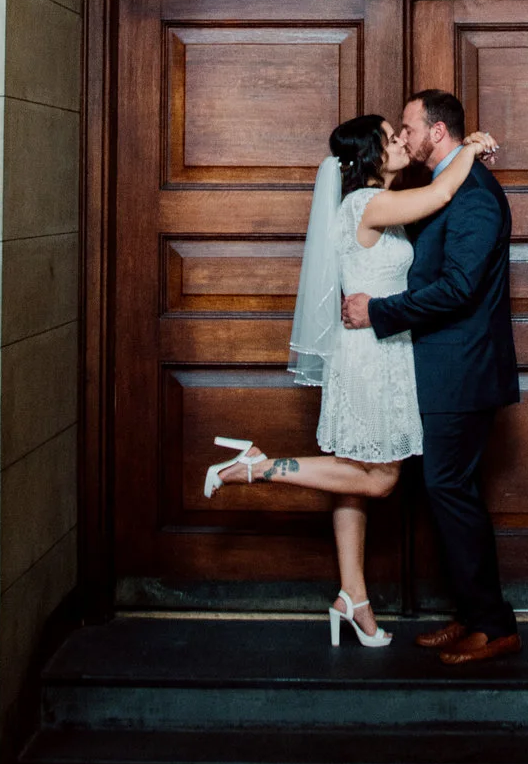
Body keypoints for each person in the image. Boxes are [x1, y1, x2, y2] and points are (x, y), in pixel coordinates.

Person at [204, 113, 497, 647]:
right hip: (372, 356)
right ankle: (259, 466)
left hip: (372, 349)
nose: (400, 140)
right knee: (380, 478)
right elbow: (440, 194)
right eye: (390, 137)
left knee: (352, 474)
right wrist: (472, 149)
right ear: (369, 155)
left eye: (400, 131)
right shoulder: (368, 203)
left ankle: (353, 596)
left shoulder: (371, 204)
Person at [341, 89, 521, 667]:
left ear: (437, 131)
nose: (405, 137)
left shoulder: (473, 196)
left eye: (410, 127)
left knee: (450, 491)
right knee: (450, 492)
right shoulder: (448, 187)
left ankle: (493, 626)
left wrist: (379, 312)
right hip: (443, 369)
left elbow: (458, 289)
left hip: (461, 371)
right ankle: (473, 613)